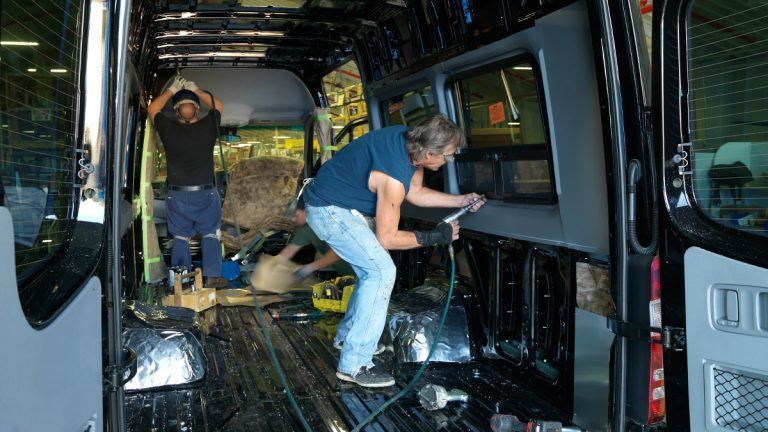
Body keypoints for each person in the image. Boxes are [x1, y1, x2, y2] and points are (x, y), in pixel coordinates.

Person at [304, 113, 486, 387]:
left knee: (371, 271)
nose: (447, 161)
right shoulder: (391, 176)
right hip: (329, 211)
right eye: (447, 156)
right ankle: (355, 364)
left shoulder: (409, 141)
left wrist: (461, 200)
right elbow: (387, 238)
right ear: (429, 154)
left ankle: (347, 338)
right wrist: (436, 236)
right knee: (380, 271)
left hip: (342, 206)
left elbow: (416, 193)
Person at [148, 75, 228, 288]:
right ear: (197, 110)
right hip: (205, 194)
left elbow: (153, 108)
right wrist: (197, 90)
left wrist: (172, 90)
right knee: (210, 234)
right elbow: (218, 106)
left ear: (176, 112)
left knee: (181, 237)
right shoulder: (208, 126)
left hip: (178, 195)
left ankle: (181, 279)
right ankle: (211, 277)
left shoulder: (168, 129)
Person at [278, 196, 354, 280]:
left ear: (306, 210)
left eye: (295, 215)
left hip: (360, 270)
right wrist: (273, 263)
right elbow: (288, 251)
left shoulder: (326, 221)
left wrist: (309, 268)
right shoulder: (305, 229)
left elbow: (338, 252)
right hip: (346, 274)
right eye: (291, 216)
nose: (293, 219)